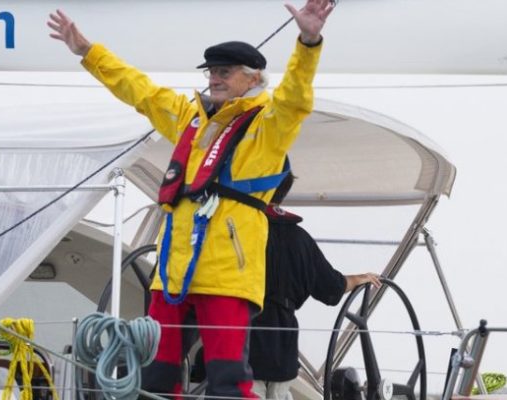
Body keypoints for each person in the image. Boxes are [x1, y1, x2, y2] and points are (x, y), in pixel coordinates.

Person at [48, 1, 333, 399]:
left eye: (224, 72)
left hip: (227, 274)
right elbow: (140, 91)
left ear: (252, 79)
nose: (214, 78)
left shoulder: (269, 125)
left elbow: (295, 98)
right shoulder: (190, 119)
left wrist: (308, 41)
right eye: (211, 72)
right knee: (155, 378)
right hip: (174, 272)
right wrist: (88, 52)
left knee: (228, 380)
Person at [249, 171, 381, 400]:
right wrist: (358, 279)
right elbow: (331, 288)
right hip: (283, 344)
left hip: (244, 336)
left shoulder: (242, 230)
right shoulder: (299, 238)